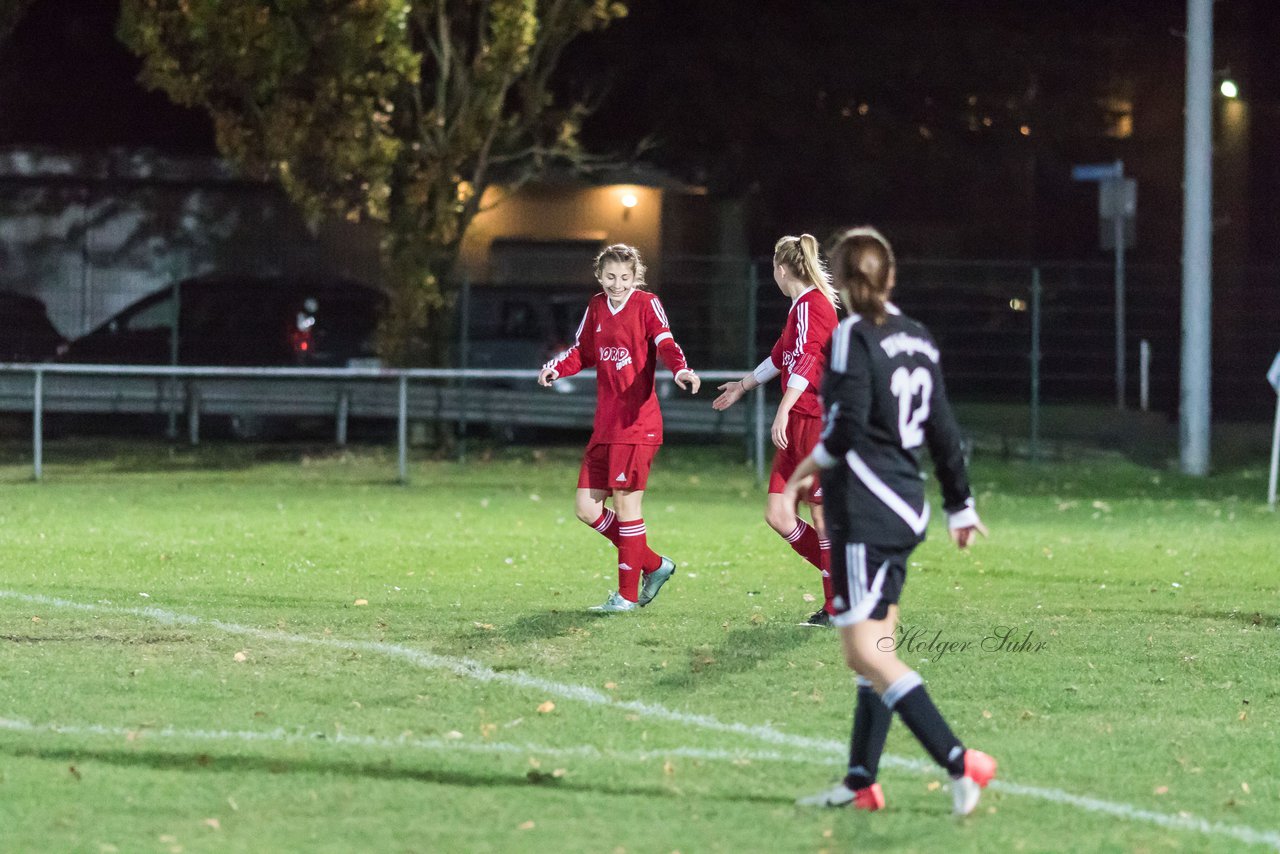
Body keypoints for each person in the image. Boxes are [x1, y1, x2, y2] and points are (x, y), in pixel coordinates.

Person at [783, 226, 995, 816]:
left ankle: (959, 759)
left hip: (866, 511)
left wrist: (805, 469)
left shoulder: (852, 334)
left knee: (864, 654)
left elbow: (844, 429)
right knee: (878, 642)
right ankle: (860, 782)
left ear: (845, 285)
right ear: (891, 277)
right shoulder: (919, 337)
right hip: (907, 506)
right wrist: (961, 505)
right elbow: (944, 428)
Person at [538, 244, 701, 612]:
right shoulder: (596, 306)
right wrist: (556, 367)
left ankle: (626, 597)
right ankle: (654, 565)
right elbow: (582, 350)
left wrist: (681, 370)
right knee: (586, 508)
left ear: (635, 277)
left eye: (625, 278)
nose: (617, 284)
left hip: (637, 424)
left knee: (627, 507)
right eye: (610, 277)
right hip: (606, 425)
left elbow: (666, 342)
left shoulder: (647, 303)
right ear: (600, 276)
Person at [712, 234, 840, 626]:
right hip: (801, 421)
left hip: (813, 420)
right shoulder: (800, 308)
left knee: (821, 516)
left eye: (773, 268)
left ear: (781, 270)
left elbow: (803, 362)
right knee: (779, 513)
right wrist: (743, 386)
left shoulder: (811, 307)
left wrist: (783, 409)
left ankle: (839, 605)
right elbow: (781, 357)